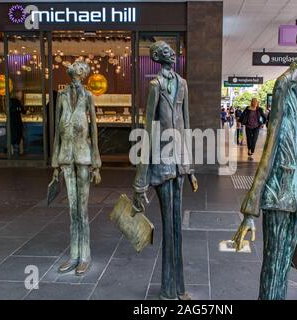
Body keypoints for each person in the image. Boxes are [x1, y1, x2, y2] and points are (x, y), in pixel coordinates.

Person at [233, 21, 297, 300]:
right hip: (279, 189)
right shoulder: (285, 83)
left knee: (286, 264)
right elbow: (272, 142)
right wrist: (251, 208)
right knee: (274, 264)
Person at [132, 41, 197, 300]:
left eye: (171, 49)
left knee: (177, 229)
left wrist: (190, 168)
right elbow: (148, 130)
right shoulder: (155, 86)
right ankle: (169, 290)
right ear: (158, 58)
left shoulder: (182, 84)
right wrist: (141, 180)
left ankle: (177, 288)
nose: (171, 52)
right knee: (169, 228)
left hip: (179, 163)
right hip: (161, 163)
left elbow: (187, 125)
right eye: (165, 50)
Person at [51, 61, 101, 275]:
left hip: (83, 157)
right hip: (65, 158)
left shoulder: (88, 96)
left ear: (84, 75)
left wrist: (96, 164)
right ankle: (74, 255)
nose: (75, 71)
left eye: (80, 69)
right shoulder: (61, 96)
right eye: (74, 69)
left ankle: (85, 256)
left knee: (83, 209)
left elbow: (94, 129)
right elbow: (56, 131)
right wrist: (55, 163)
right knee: (72, 210)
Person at [9, 91, 26, 156]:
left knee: (12, 136)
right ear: (17, 94)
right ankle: (21, 152)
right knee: (20, 136)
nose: (21, 96)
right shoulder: (18, 102)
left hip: (11, 122)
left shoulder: (9, 101)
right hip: (17, 122)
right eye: (21, 94)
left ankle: (11, 152)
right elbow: (23, 111)